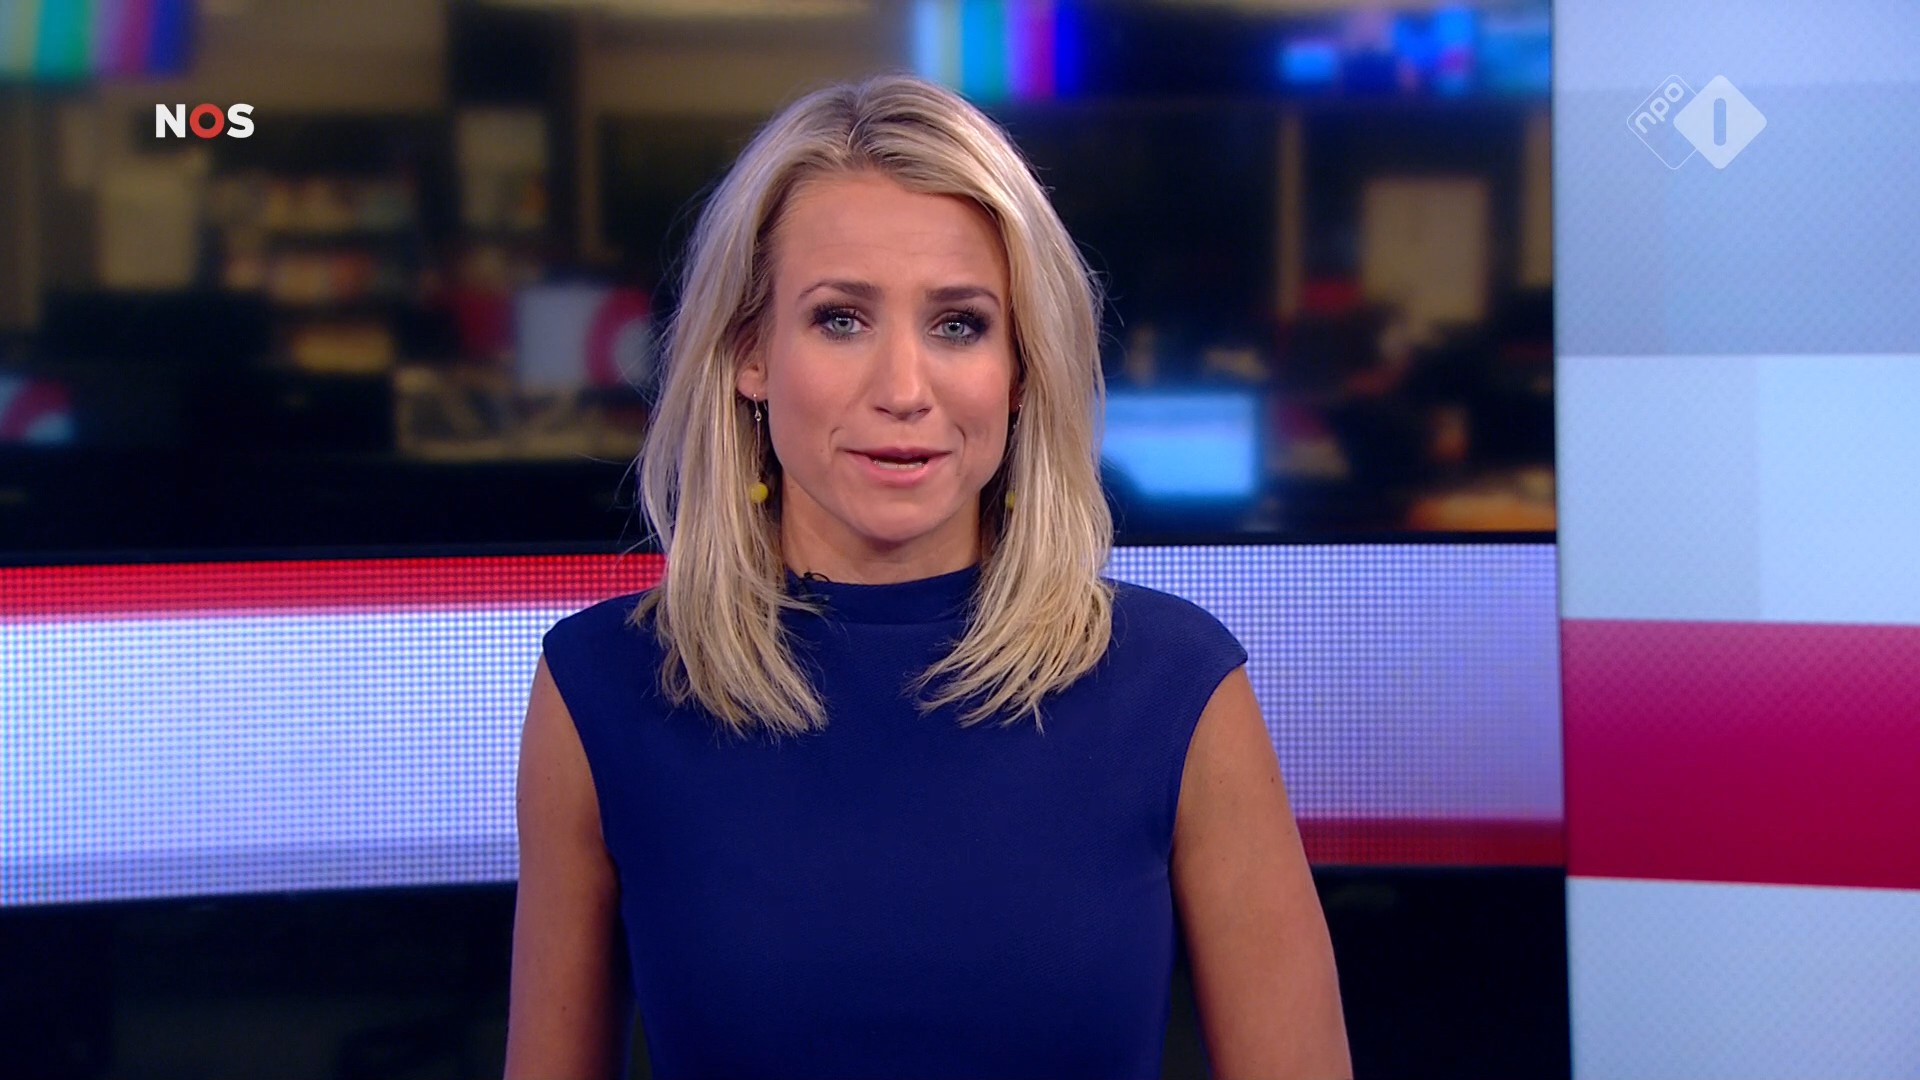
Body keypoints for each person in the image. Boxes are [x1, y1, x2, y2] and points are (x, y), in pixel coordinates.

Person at [506, 73, 1350, 1080]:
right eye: (840, 319)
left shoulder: (1178, 687)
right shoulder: (601, 688)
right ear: (748, 354)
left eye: (959, 325)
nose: (904, 389)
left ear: (1023, 366)